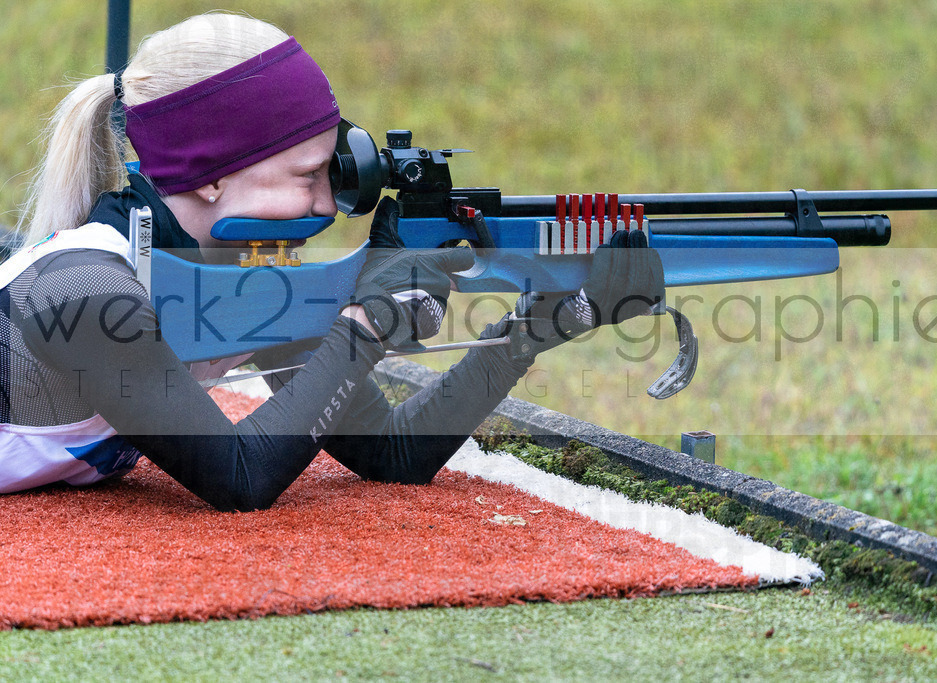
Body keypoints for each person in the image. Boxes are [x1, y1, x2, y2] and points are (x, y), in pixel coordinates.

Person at [0, 13, 663, 511]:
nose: (328, 201)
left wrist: (534, 329)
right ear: (209, 176)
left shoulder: (240, 280)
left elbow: (393, 451)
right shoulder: (85, 290)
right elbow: (240, 478)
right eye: (307, 174)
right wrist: (366, 326)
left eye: (333, 170)